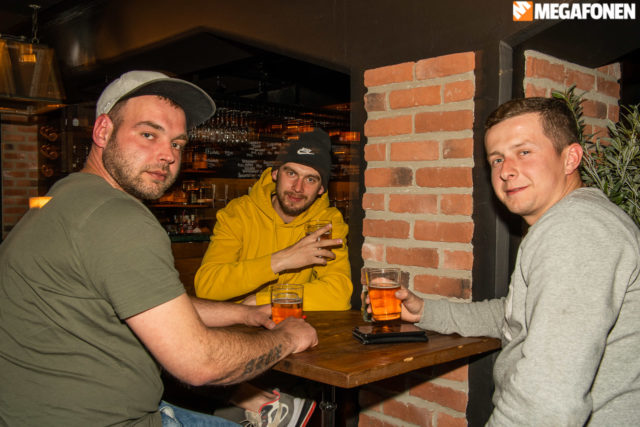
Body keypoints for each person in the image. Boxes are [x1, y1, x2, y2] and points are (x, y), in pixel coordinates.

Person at [0, 70, 318, 427]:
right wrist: (288, 338)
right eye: (149, 134)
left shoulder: (61, 198)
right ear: (103, 131)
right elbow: (201, 363)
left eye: (177, 143)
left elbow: (150, 306)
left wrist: (244, 315)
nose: (167, 154)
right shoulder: (119, 218)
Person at [390, 97, 640, 426]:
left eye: (524, 152)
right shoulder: (570, 221)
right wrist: (426, 311)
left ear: (570, 158)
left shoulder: (575, 230)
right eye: (497, 159)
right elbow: (516, 315)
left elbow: (547, 401)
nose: (506, 171)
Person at [193, 128, 352, 423]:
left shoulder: (328, 222)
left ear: (321, 189)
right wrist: (282, 260)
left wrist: (260, 300)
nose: (298, 187)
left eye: (311, 179)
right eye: (291, 173)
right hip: (236, 342)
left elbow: (339, 293)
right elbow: (208, 286)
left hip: (296, 347)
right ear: (275, 173)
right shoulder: (239, 214)